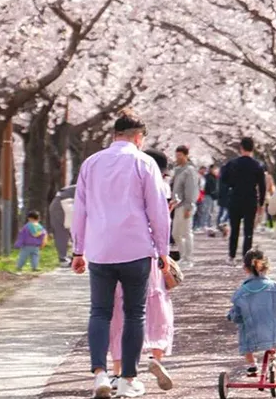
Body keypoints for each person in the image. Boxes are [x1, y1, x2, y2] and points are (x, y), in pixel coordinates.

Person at [71, 110, 172, 399]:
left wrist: (78, 250)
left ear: (115, 134)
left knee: (99, 312)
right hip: (136, 249)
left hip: (100, 249)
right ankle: (128, 378)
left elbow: (81, 209)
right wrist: (162, 251)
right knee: (134, 313)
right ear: (139, 138)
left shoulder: (91, 163)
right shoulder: (145, 163)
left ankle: (100, 374)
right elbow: (157, 210)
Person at [109, 148, 175, 393]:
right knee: (155, 304)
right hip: (148, 254)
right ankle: (156, 357)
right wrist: (164, 253)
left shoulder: (122, 184)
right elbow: (160, 223)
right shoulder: (161, 187)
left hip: (116, 252)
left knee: (120, 310)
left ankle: (117, 371)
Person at [227, 249, 276, 382]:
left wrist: (231, 316)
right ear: (267, 267)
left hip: (253, 336)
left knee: (244, 329)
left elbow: (236, 315)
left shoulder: (241, 293)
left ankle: (252, 365)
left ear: (245, 268)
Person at [219, 137, 267, 264]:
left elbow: (223, 179)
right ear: (253, 148)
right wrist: (261, 203)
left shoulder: (232, 163)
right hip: (250, 199)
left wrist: (232, 185)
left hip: (235, 197)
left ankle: (231, 256)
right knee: (248, 231)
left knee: (234, 229)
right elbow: (262, 186)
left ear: (241, 148)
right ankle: (247, 257)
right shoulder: (257, 165)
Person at [170, 145, 199, 268]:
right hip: (177, 205)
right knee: (176, 233)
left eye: (180, 155)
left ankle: (188, 258)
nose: (178, 158)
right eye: (176, 155)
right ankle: (183, 256)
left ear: (186, 155)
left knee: (187, 232)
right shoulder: (177, 169)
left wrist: (189, 206)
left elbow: (191, 189)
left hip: (186, 205)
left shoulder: (189, 170)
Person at [49, 185, 76, 265]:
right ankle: (66, 258)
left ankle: (65, 258)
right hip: (66, 203)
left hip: (59, 202)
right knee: (72, 231)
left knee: (62, 232)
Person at [203, 164, 220, 231]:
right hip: (208, 195)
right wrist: (213, 193)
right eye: (214, 169)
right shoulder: (208, 177)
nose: (216, 170)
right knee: (207, 210)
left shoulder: (217, 177)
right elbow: (208, 187)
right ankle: (204, 224)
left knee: (214, 211)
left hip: (215, 197)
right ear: (211, 169)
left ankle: (211, 224)